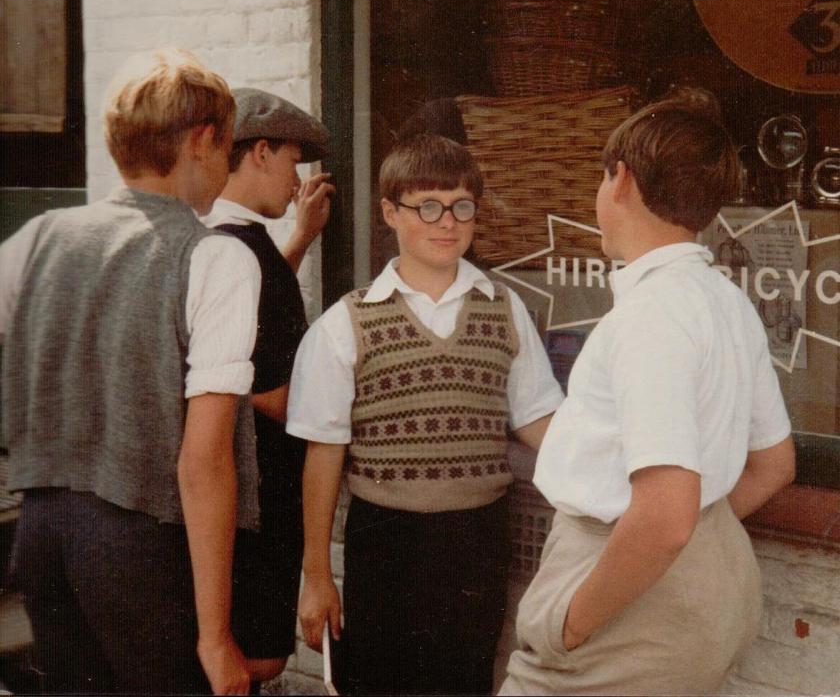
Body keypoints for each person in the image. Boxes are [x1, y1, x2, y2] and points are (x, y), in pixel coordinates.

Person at [499, 89, 796, 696]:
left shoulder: (650, 316)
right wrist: (688, 538)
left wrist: (569, 625)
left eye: (601, 176)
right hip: (702, 572)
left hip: (629, 595)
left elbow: (664, 515)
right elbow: (774, 464)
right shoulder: (726, 300)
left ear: (623, 181)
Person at [0, 49, 262, 695]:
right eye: (228, 148)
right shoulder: (215, 258)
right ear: (201, 141)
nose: (227, 165)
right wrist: (215, 636)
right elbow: (204, 462)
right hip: (144, 549)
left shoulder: (41, 236)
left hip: (43, 536)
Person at [287, 133, 565, 696]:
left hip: (479, 539)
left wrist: (618, 466)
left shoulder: (503, 309)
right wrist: (316, 575)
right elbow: (324, 454)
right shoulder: (348, 323)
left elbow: (538, 419)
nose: (448, 222)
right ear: (390, 212)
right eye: (428, 207)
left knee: (465, 682)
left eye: (462, 206)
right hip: (386, 539)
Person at [203, 88, 334, 689]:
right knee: (256, 662)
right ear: (259, 153)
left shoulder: (217, 242)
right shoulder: (248, 254)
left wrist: (300, 240)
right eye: (291, 161)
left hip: (235, 497)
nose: (296, 180)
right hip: (258, 498)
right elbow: (272, 395)